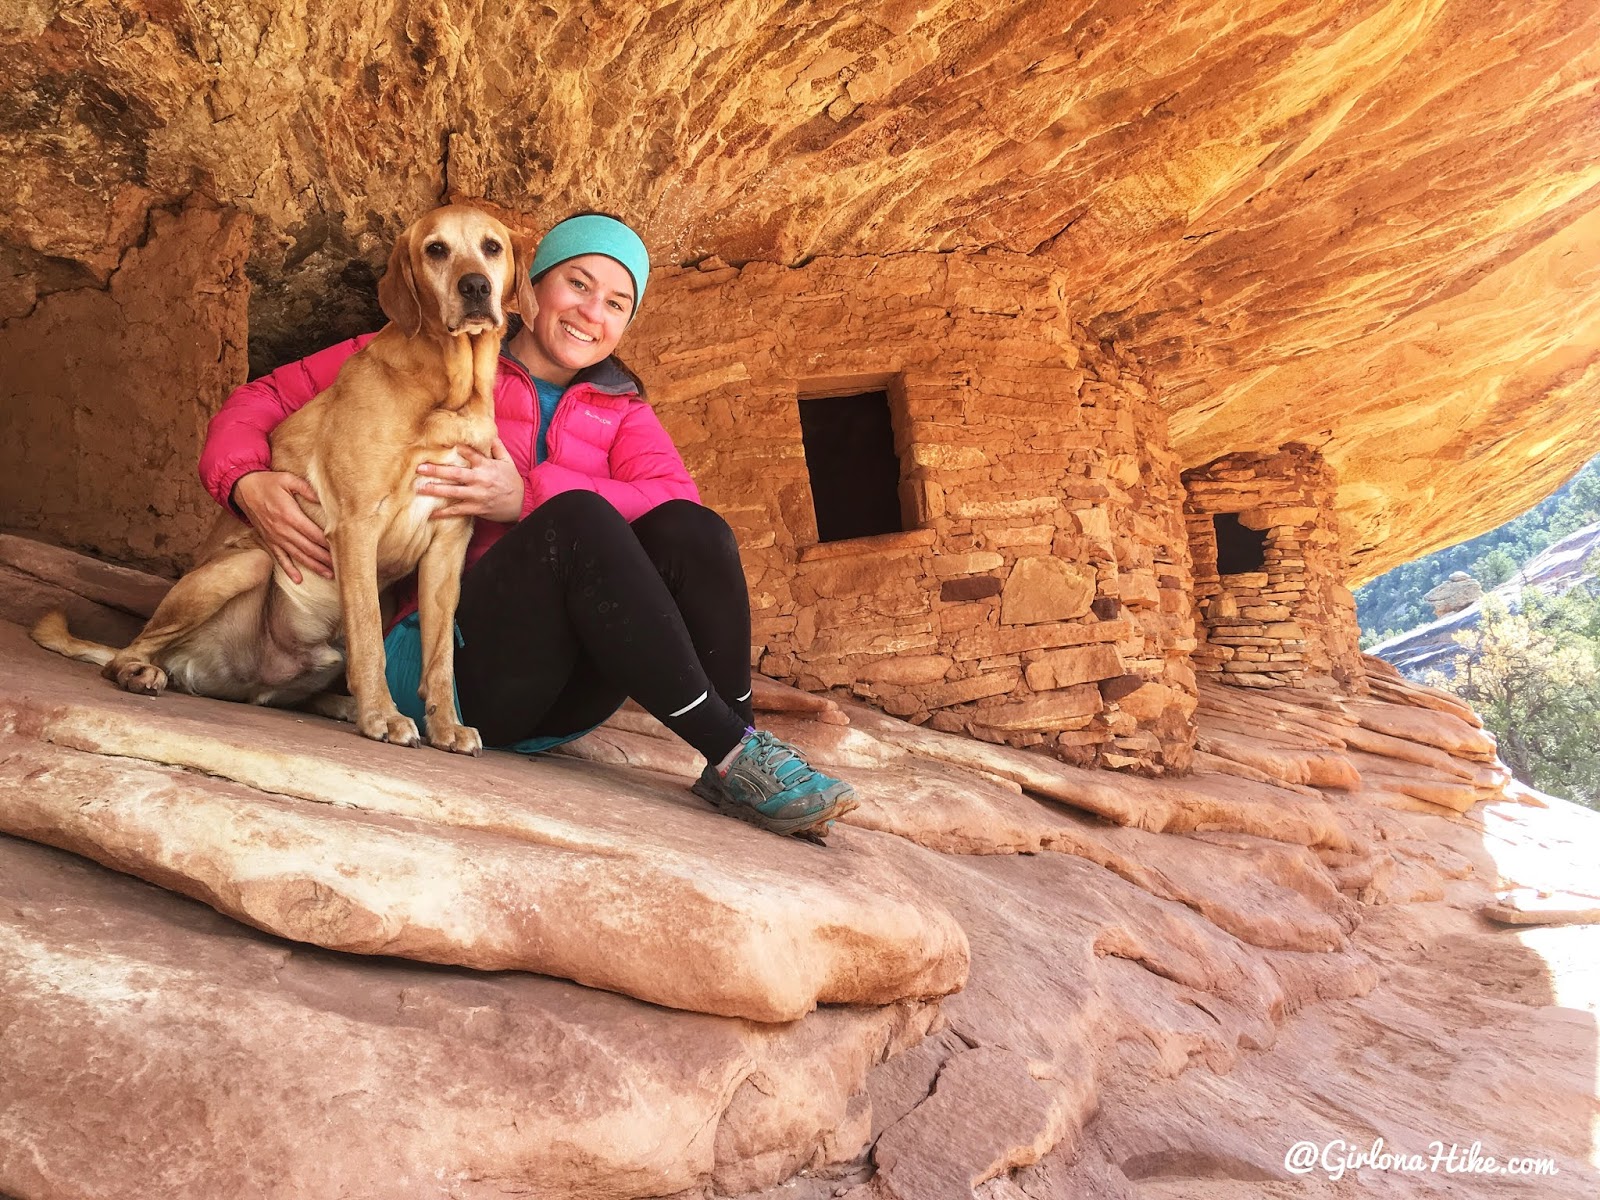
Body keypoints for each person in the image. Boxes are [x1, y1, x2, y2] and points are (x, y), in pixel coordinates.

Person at [198, 213, 855, 839]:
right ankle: (736, 751)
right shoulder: (414, 356)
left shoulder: (620, 409)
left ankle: (733, 758)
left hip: (558, 697)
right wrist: (244, 479)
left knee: (692, 529)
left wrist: (525, 496)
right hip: (453, 667)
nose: (591, 312)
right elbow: (263, 398)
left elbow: (675, 504)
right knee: (577, 519)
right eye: (577, 283)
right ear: (527, 286)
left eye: (617, 303)